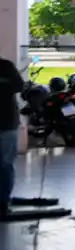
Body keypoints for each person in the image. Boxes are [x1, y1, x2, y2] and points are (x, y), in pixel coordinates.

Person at [0, 55, 24, 220]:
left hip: (7, 123)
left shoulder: (5, 66)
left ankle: (3, 203)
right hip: (8, 123)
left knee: (5, 165)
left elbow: (19, 86)